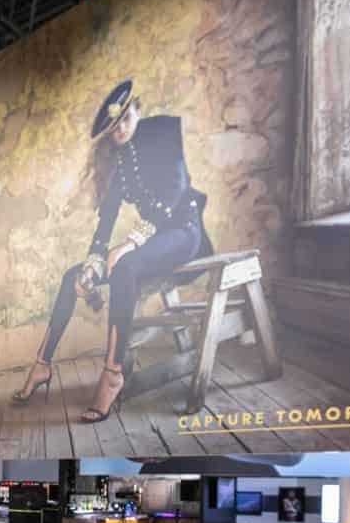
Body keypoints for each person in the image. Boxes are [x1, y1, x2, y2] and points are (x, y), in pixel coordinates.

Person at [12, 79, 213, 422]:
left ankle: (113, 373)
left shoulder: (162, 131)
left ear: (137, 110)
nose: (120, 129)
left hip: (184, 234)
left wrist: (131, 242)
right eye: (113, 126)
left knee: (124, 266)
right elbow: (107, 217)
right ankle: (42, 365)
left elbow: (176, 192)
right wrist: (93, 260)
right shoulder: (119, 163)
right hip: (150, 242)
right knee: (71, 276)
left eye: (125, 119)